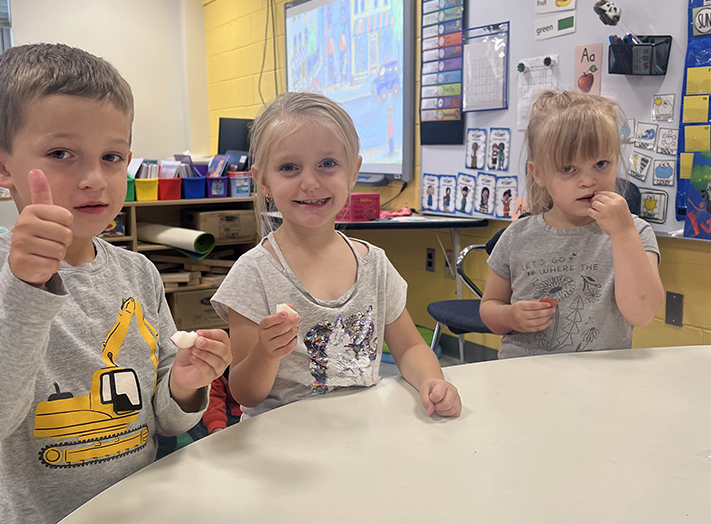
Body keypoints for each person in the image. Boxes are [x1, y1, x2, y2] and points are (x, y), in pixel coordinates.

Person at [0, 43, 232, 524]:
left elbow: (164, 419)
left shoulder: (138, 272)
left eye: (112, 156)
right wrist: (24, 286)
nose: (95, 178)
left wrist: (183, 385)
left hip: (136, 506)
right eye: (61, 153)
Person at [211, 91, 461, 419]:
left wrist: (433, 381)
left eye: (327, 164)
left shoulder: (374, 264)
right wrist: (265, 354)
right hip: (284, 442)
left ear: (353, 171)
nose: (311, 183)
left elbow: (411, 347)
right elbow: (245, 393)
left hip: (359, 435)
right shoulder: (253, 273)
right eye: (289, 167)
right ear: (263, 181)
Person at [479, 90, 663, 358]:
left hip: (600, 379)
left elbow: (643, 313)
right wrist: (510, 316)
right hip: (524, 377)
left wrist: (623, 232)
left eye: (601, 164)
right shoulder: (516, 236)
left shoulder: (635, 231)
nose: (588, 181)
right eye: (568, 169)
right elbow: (489, 308)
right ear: (539, 173)